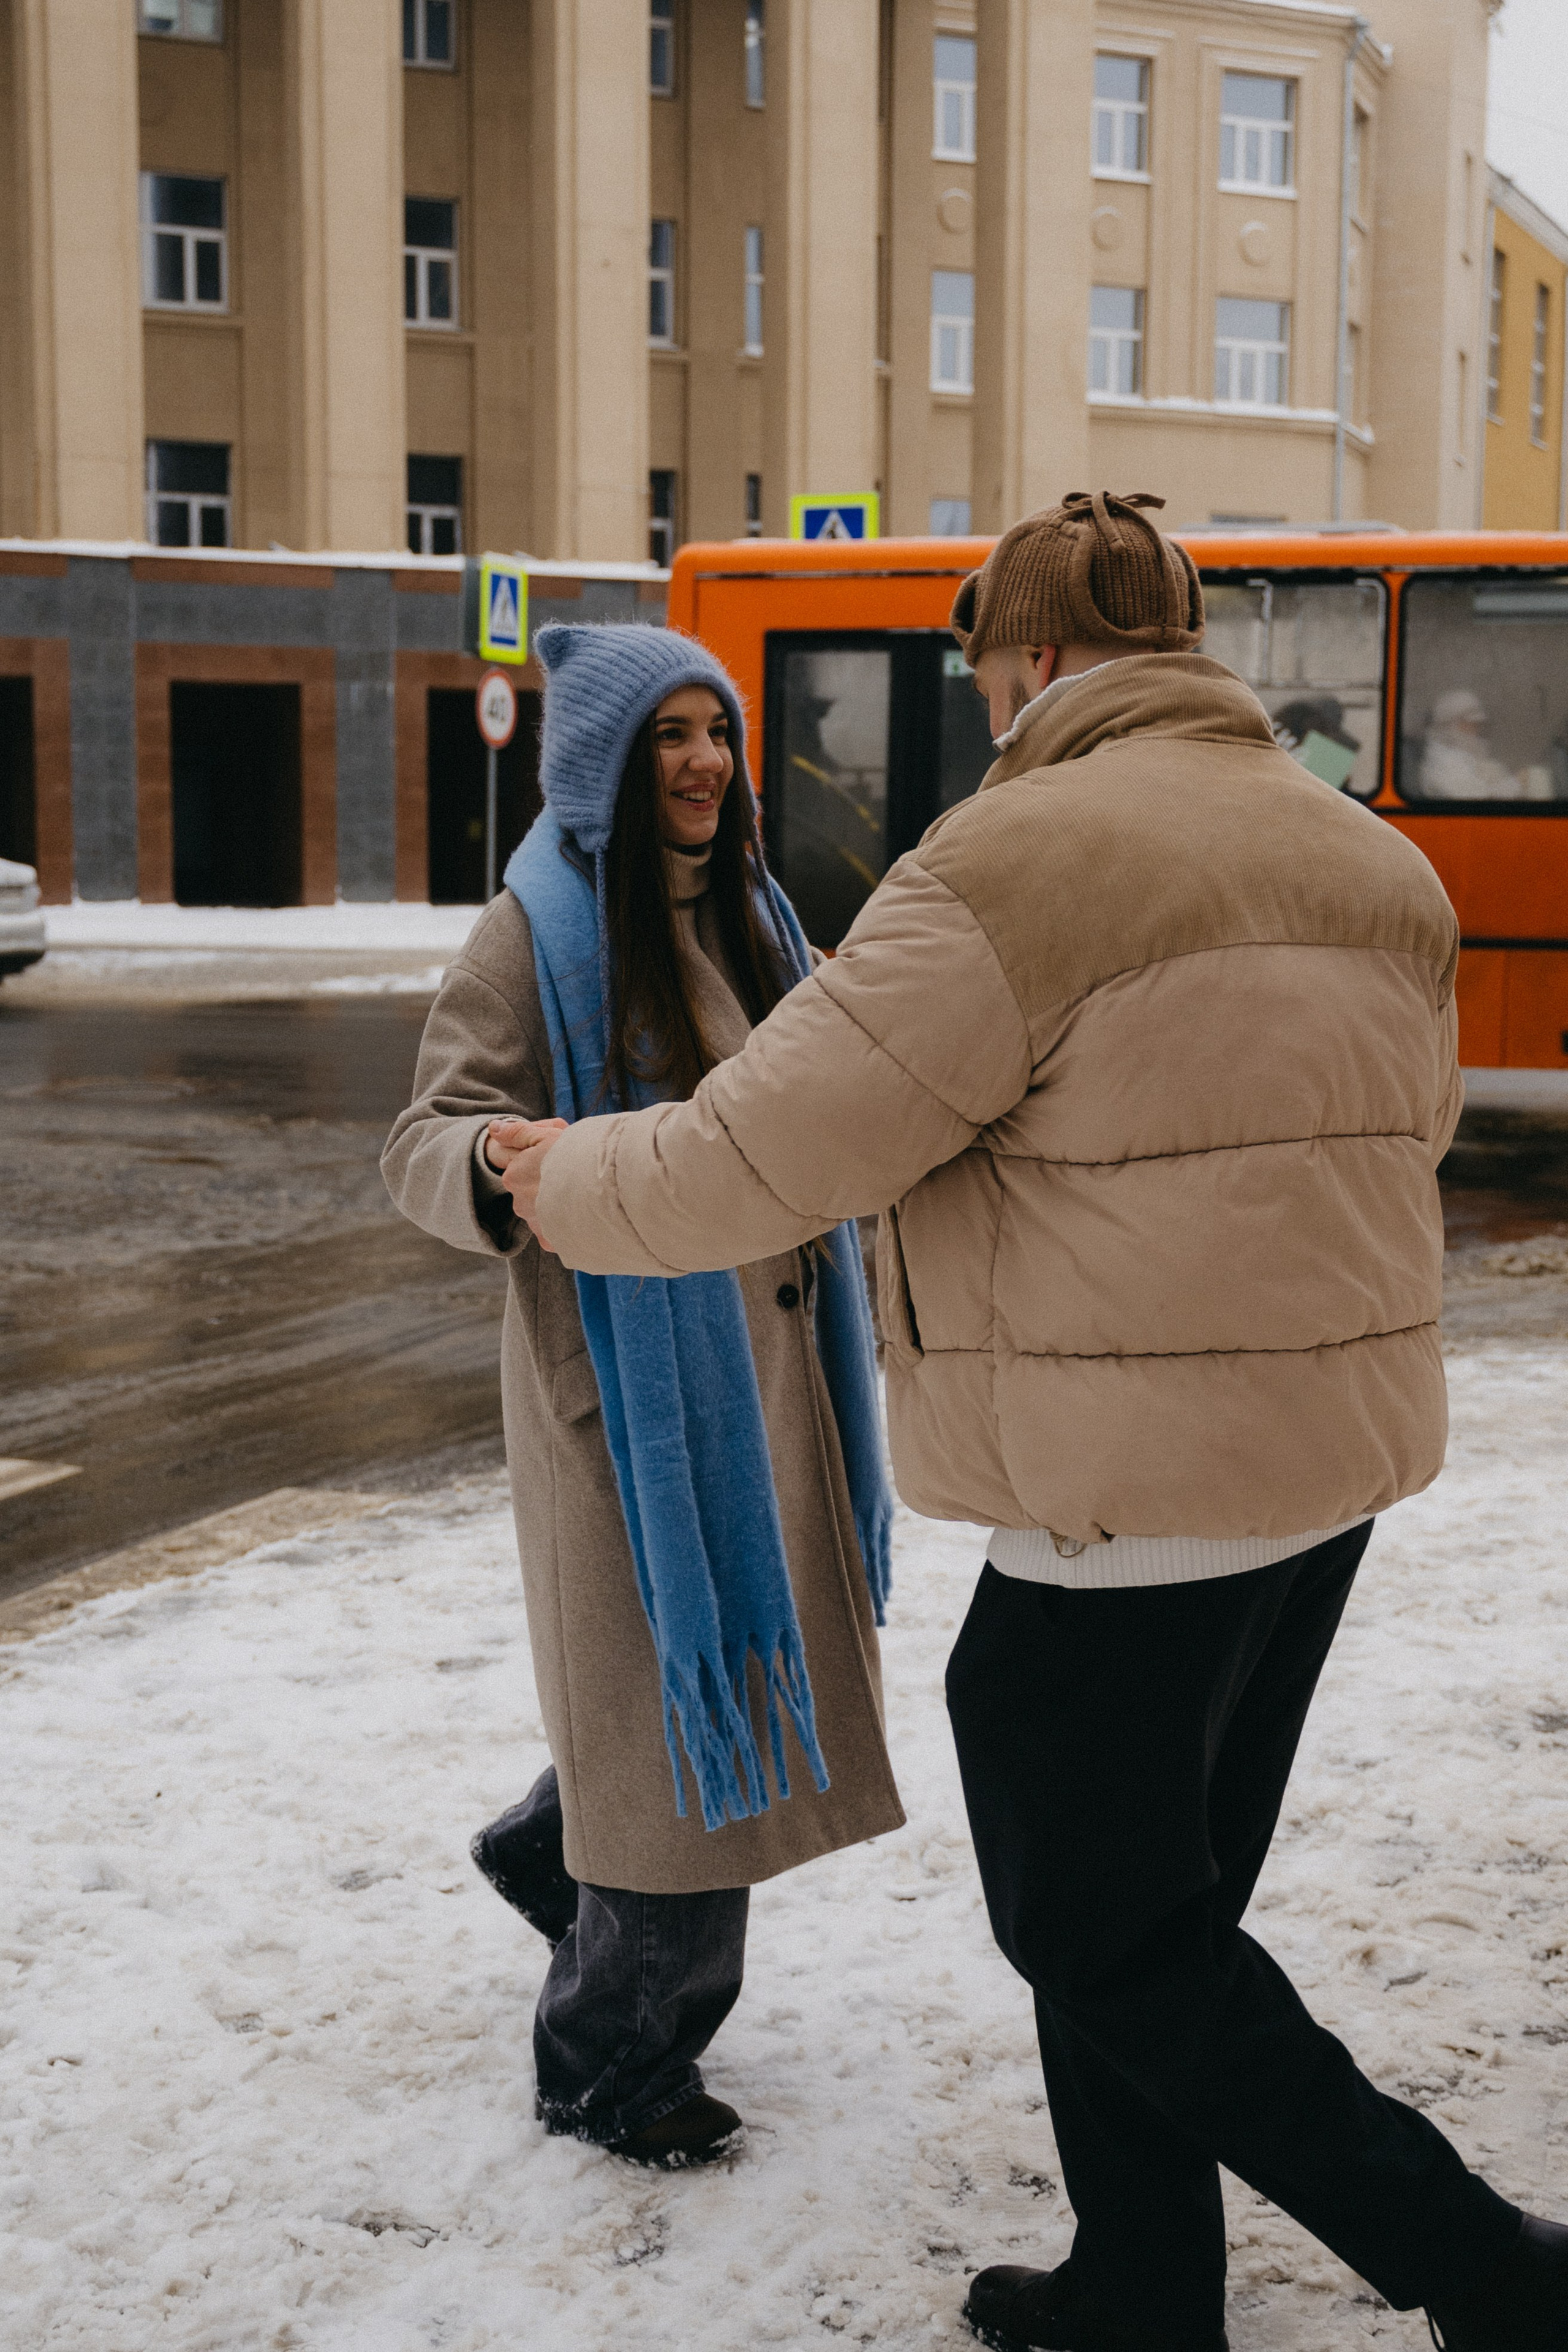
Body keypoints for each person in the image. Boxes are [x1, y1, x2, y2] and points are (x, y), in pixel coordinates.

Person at [499, 493, 1568, 2350]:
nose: (990, 707)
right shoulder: (1370, 857)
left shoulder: (1004, 866)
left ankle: (1488, 2268)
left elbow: (755, 1154)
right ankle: (1145, 2283)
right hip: (1317, 1484)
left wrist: (552, 1171)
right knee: (1163, 1911)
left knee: (1109, 1936)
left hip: (1119, 1511)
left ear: (1045, 663)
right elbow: (1396, 1138)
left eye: (991, 671)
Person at [382, 623, 903, 2169]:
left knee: (674, 1685)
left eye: (716, 732)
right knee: (679, 1747)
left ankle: (554, 1839)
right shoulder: (530, 932)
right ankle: (609, 2055)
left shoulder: (753, 909)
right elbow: (423, 1132)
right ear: (605, 762)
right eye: (667, 735)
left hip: (769, 1371)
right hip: (632, 1400)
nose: (701, 762)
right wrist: (489, 1161)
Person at [1419, 687, 1520, 799]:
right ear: (1449, 724)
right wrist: (1518, 782)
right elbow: (1479, 799)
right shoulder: (1442, 761)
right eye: (1468, 724)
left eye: (1476, 724)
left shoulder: (1465, 752)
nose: (1475, 730)